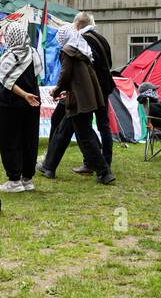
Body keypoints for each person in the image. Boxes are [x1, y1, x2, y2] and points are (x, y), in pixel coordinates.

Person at [49, 23, 114, 185]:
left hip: (78, 101)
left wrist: (57, 91)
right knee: (63, 131)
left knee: (84, 137)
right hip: (85, 97)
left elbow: (65, 75)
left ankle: (104, 172)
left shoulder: (67, 51)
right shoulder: (82, 49)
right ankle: (48, 166)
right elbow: (78, 77)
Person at [0, 24, 44, 193]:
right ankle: (27, 179)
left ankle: (14, 180)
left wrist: (23, 95)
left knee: (9, 140)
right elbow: (37, 77)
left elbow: (8, 82)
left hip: (10, 104)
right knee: (29, 140)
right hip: (32, 103)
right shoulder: (34, 53)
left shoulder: (10, 56)